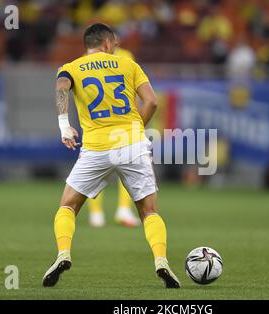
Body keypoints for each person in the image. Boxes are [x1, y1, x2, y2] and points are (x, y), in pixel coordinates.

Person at [42, 23, 180, 288]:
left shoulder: (71, 68)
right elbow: (152, 101)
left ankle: (63, 253)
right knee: (149, 211)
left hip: (96, 147)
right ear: (107, 43)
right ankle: (161, 261)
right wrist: (137, 128)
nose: (115, 48)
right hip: (132, 144)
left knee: (68, 206)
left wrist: (63, 125)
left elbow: (61, 87)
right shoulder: (128, 65)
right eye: (114, 44)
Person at [87, 46, 141, 228]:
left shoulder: (88, 58)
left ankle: (99, 214)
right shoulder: (126, 56)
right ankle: (117, 210)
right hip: (122, 123)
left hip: (100, 123)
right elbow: (136, 88)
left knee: (96, 168)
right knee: (129, 167)